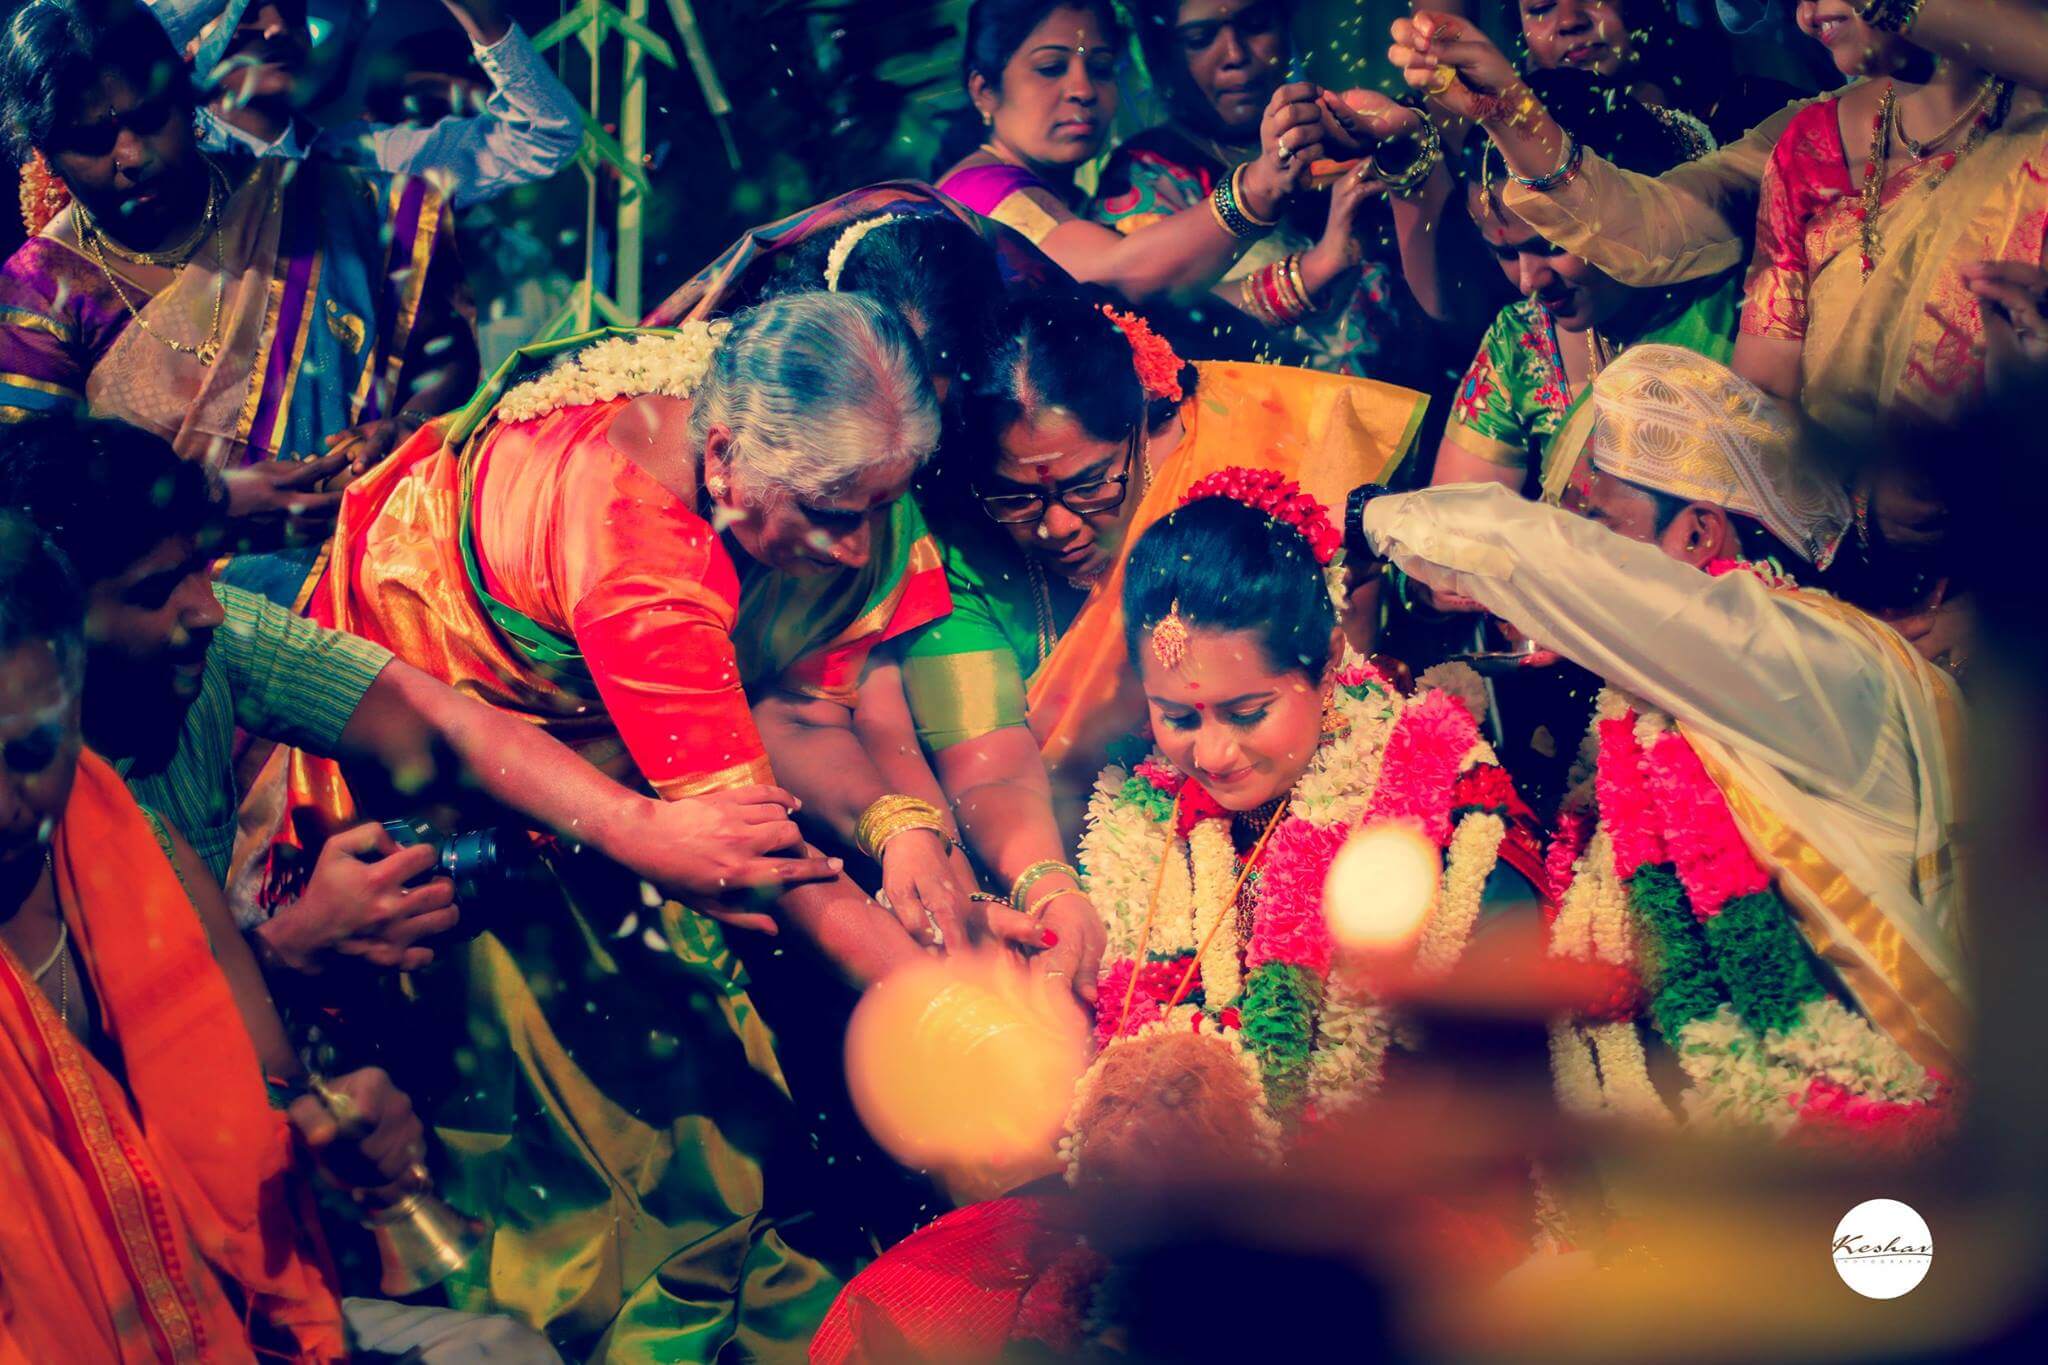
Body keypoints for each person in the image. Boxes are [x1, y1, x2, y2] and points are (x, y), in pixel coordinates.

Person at [285, 294, 955, 1354]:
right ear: (722, 456)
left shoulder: (750, 420)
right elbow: (757, 859)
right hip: (442, 798)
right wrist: (965, 1017)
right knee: (607, 1167)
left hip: (618, 790)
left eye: (879, 506)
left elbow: (791, 711)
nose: (856, 545)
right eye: (833, 511)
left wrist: (902, 826)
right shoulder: (637, 547)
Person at [813, 472, 1539, 1361]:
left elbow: (1492, 1099)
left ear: (1325, 666)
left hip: (1377, 1205)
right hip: (1165, 1208)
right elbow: (1102, 1033)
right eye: (1178, 716)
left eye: (1247, 711)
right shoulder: (1141, 817)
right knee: (899, 1306)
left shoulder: (1433, 810)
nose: (1215, 752)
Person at [0, 512, 559, 1364]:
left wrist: (335, 1132)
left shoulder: (128, 841)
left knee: (504, 1350)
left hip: (222, 1314)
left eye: (32, 748)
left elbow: (265, 1095)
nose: (7, 804)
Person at [1356, 345, 1963, 1129]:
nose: (1588, 546)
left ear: (1699, 535)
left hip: (1902, 1138)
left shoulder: (1811, 659)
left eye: (1603, 527)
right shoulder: (1661, 708)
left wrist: (1379, 518)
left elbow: (1577, 572)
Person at [0, 414, 840, 972]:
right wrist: (286, 950)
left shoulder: (227, 633)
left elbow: (435, 719)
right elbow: (68, 1047)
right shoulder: (19, 796)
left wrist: (641, 831)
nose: (207, 608)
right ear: (43, 620)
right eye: (156, 592)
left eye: (199, 568)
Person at [896, 291, 1429, 995]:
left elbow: (1331, 674)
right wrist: (1052, 888)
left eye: (1090, 485)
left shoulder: (1235, 463)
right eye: (1019, 498)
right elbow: (987, 762)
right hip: (1100, 864)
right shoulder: (959, 557)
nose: (1057, 526)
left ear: (1142, 429)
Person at [0, 0, 476, 608]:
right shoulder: (41, 294)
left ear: (187, 96)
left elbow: (446, 355)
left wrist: (407, 427)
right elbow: (32, 509)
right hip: (198, 620)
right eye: (92, 140)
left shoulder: (319, 205)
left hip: (404, 553)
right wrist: (209, 505)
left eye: (151, 118)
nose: (133, 156)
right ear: (45, 152)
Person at [1387, 3, 2048, 302]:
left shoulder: (2031, 102)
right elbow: (1656, 229)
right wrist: (1512, 112)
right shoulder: (1810, 135)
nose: (1807, 14)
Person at [1086, 0, 1447, 388]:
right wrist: (1312, 272)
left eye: (1256, 24)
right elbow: (1153, 325)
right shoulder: (1147, 173)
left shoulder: (1343, 130)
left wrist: (1404, 150)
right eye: (1200, 38)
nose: (1235, 55)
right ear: (1159, 54)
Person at [1731, 1, 2047, 437]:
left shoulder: (2035, 132)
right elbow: (1761, 400)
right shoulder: (1810, 148)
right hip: (1824, 474)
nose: (1807, 17)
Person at [1433, 68, 1741, 494]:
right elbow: (1453, 521)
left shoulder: (1741, 311)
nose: (1529, 281)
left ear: (1621, 212)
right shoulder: (1521, 340)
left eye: (1552, 245)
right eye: (1505, 253)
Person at [934, 0, 1333, 304]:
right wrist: (1257, 189)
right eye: (1051, 68)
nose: (1083, 90)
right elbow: (1119, 276)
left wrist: (1326, 264)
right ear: (983, 91)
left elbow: (1172, 315)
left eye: (1101, 68)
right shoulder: (977, 192)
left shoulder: (1065, 196)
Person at [151, 0, 583, 209]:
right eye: (245, 15)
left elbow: (546, 137)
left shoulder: (368, 161)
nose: (278, 29)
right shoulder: (162, 156)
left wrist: (482, 17)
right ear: (189, 41)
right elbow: (116, 43)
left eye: (293, 12)